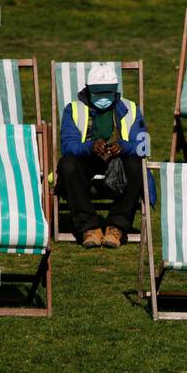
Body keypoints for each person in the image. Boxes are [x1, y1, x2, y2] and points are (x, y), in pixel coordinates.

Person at [54, 65, 148, 249]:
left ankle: (116, 227)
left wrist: (123, 146)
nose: (103, 98)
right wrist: (90, 146)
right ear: (88, 90)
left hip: (119, 161)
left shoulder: (131, 109)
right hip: (88, 160)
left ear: (115, 91)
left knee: (138, 165)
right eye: (98, 94)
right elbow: (68, 145)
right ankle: (89, 227)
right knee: (68, 164)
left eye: (108, 93)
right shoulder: (73, 109)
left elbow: (143, 144)